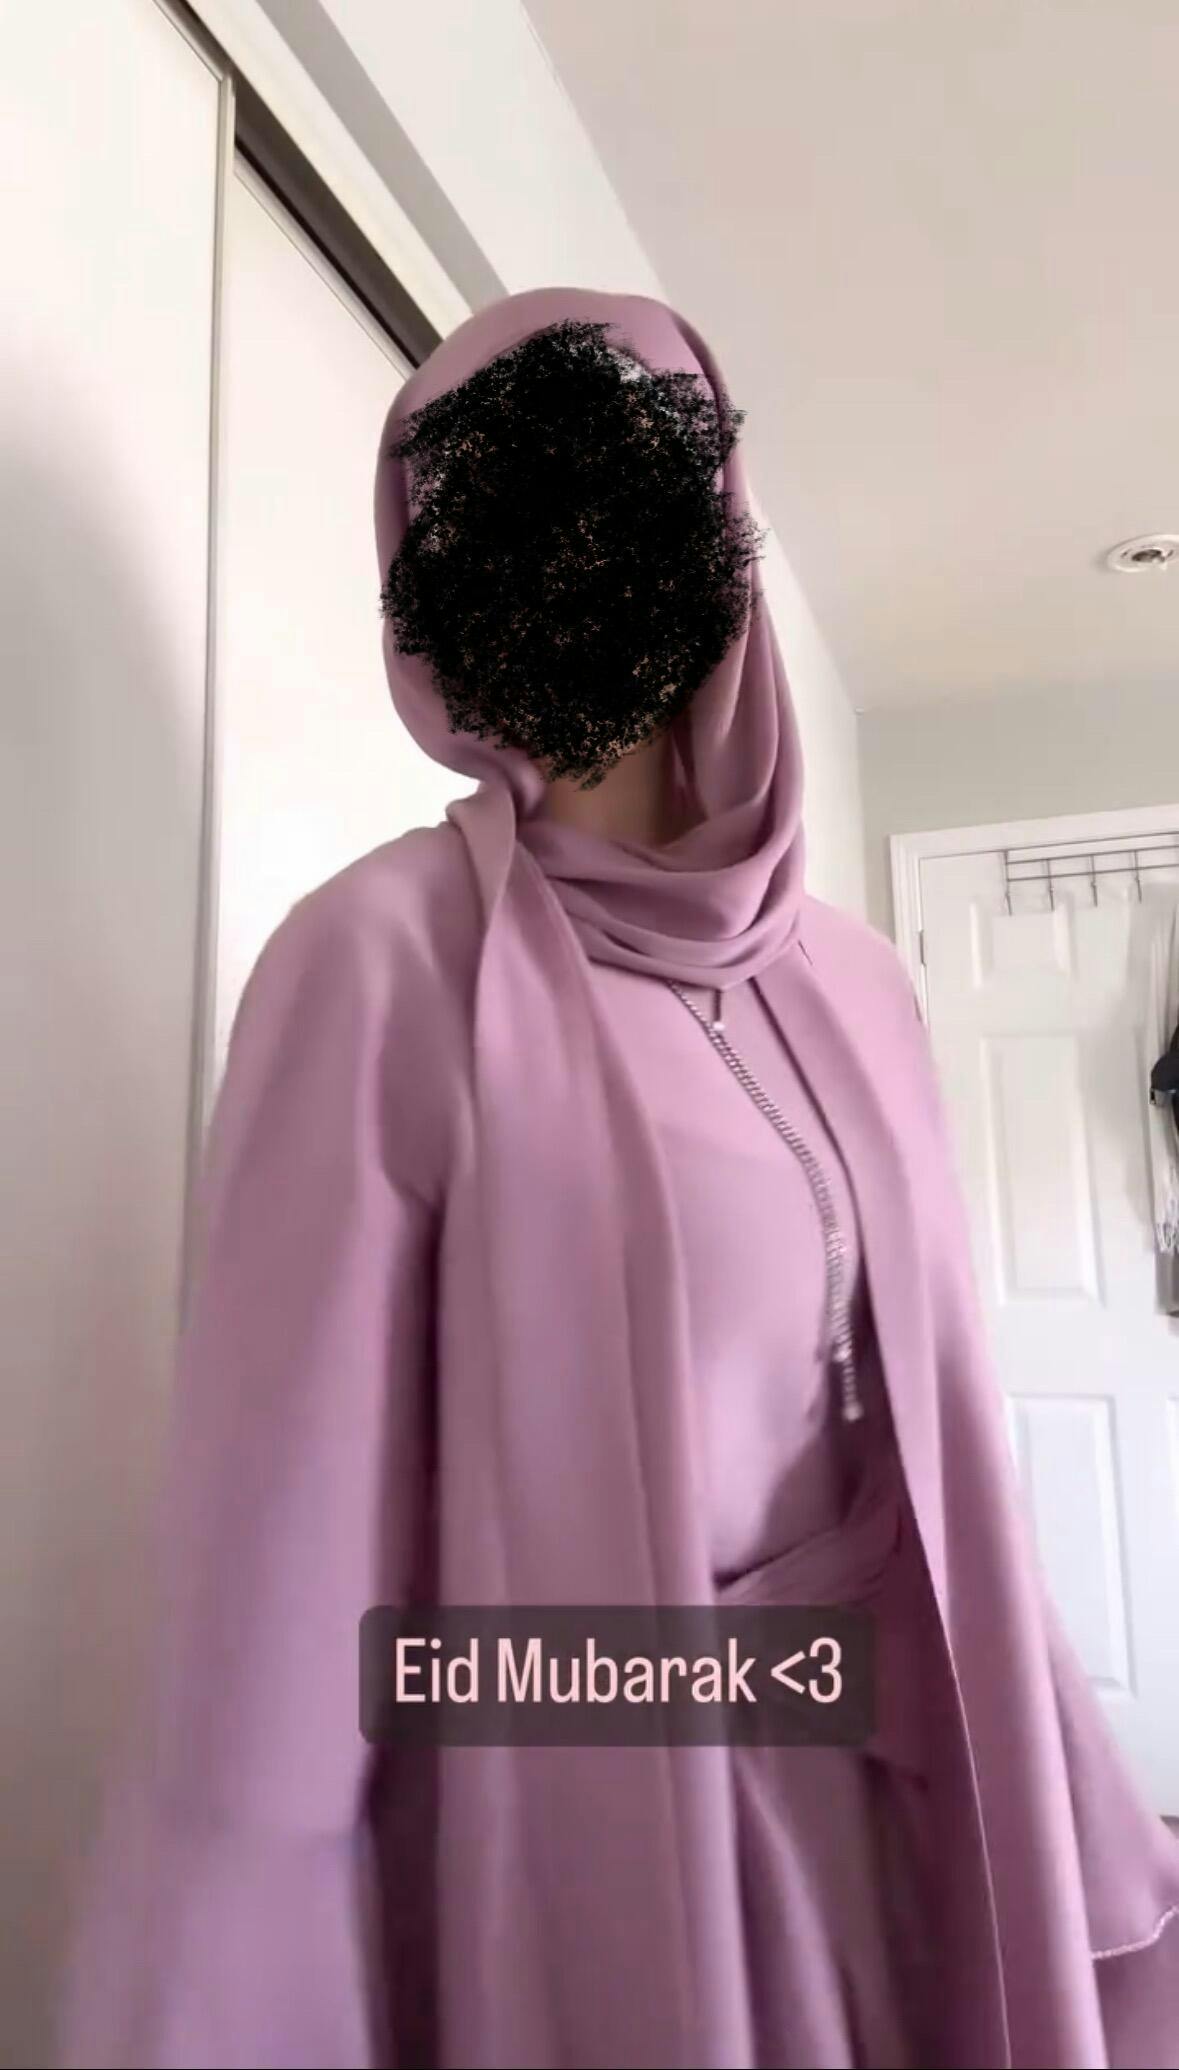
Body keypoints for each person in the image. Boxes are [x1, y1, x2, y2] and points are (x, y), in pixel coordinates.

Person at [60, 287, 1179, 2070]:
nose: (579, 564)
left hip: (906, 1831)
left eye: (622, 505)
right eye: (522, 523)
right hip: (584, 1865)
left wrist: (1063, 1812)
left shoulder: (861, 988)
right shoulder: (380, 968)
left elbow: (943, 1466)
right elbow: (281, 1606)